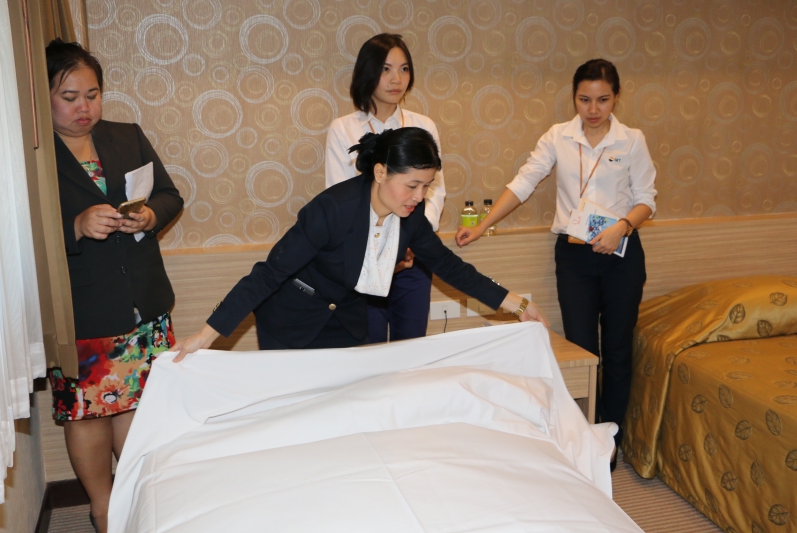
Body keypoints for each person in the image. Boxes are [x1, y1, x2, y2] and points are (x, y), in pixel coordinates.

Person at [173, 128, 546, 359]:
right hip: (293, 320)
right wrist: (205, 336)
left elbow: (449, 267)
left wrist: (517, 303)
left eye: (426, 186)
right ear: (381, 172)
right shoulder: (332, 209)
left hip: (346, 322)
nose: (419, 196)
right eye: (412, 185)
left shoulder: (410, 216)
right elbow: (269, 273)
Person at [456, 59, 656, 468]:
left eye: (603, 100)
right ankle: (581, 434)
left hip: (620, 253)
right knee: (581, 348)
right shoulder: (558, 136)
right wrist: (482, 227)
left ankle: (610, 437)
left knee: (617, 349)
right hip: (574, 256)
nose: (593, 109)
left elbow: (646, 199)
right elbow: (524, 182)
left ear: (616, 97)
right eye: (584, 99)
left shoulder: (631, 140)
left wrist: (621, 227)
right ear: (574, 97)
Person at [45, 39, 183, 532]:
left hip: (143, 302)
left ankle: (139, 499)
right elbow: (17, 235)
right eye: (69, 97)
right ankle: (103, 509)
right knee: (89, 414)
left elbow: (169, 195)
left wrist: (149, 215)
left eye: (93, 94)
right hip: (82, 310)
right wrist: (75, 227)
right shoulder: (32, 158)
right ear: (44, 97)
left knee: (139, 408)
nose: (84, 107)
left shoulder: (127, 136)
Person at [325, 33, 445, 343]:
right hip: (366, 258)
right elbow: (339, 195)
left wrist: (410, 241)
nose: (397, 79)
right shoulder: (343, 128)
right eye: (386, 69)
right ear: (368, 72)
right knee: (369, 347)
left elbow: (434, 191)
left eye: (404, 69)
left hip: (413, 259)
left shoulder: (423, 126)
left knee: (412, 347)